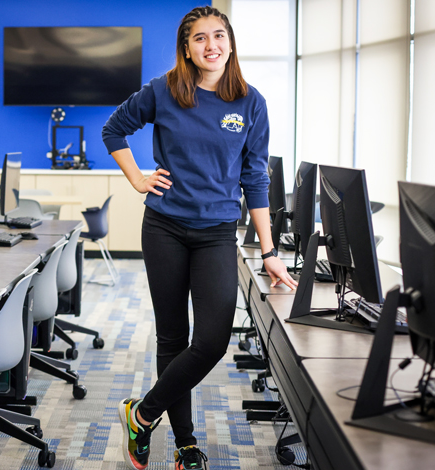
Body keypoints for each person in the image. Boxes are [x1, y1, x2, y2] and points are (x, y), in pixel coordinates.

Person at [102, 6, 297, 470]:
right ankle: (186, 445)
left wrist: (268, 251)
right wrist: (137, 178)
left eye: (219, 35)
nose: (211, 45)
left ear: (230, 41)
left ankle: (142, 414)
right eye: (199, 38)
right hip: (165, 227)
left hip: (215, 233)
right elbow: (114, 129)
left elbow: (255, 177)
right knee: (173, 337)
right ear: (186, 48)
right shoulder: (163, 91)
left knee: (211, 340)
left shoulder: (251, 102)